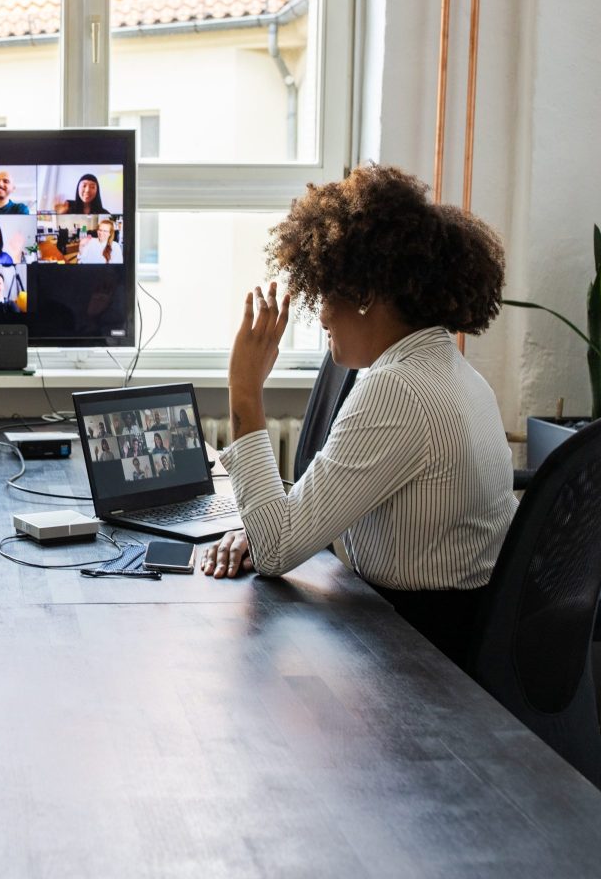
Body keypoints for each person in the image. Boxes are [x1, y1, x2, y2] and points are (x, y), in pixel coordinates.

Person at [198, 163, 515, 668]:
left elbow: (278, 549)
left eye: (326, 294)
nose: (321, 315)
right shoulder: (446, 367)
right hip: (439, 628)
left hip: (414, 654)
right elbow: (294, 527)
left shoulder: (398, 390)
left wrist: (244, 392)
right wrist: (265, 526)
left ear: (365, 295)